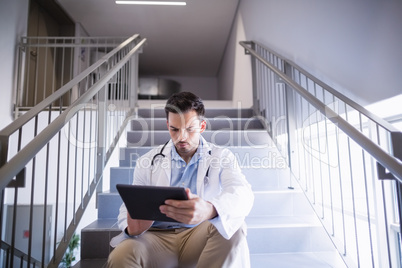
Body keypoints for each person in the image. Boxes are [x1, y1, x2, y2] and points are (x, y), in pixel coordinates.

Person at [107, 92, 254, 267]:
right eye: (174, 129)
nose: (181, 137)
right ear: (168, 125)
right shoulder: (147, 161)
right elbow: (128, 207)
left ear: (202, 126)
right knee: (120, 256)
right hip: (156, 238)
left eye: (190, 129)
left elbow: (243, 193)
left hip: (199, 236)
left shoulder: (221, 157)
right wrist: (132, 228)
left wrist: (210, 209)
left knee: (234, 227)